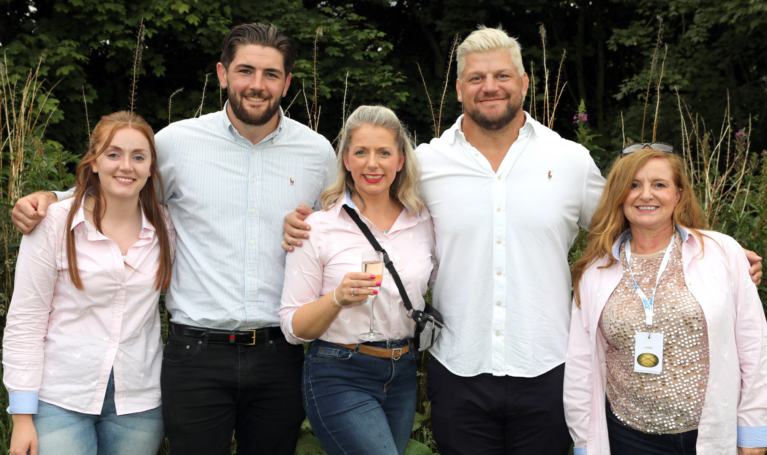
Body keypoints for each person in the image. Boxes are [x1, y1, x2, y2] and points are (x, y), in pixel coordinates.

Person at [281, 26, 763, 454]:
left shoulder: (570, 159)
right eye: (476, 78)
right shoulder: (426, 164)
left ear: (524, 82)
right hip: (458, 366)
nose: (490, 87)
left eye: (502, 76)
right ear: (459, 89)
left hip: (548, 366)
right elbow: (369, 202)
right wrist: (304, 221)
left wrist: (709, 251)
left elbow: (634, 214)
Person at [10, 23, 336, 455]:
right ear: (222, 74)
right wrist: (53, 198)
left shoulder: (317, 153)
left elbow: (341, 232)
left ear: (287, 82)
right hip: (196, 354)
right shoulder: (179, 143)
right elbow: (123, 182)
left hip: (281, 354)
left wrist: (313, 227)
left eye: (271, 74)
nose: (257, 85)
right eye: (245, 71)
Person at [565, 145, 767, 455]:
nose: (646, 195)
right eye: (633, 185)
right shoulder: (595, 272)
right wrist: (584, 444)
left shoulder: (722, 253)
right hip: (628, 438)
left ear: (678, 194)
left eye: (659, 184)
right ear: (619, 195)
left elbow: (754, 344)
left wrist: (753, 432)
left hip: (711, 434)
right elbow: (580, 364)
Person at [3, 111, 174, 455]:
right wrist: (22, 416)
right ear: (94, 162)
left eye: (138, 157)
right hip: (60, 399)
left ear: (151, 168)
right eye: (113, 154)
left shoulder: (164, 228)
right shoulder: (54, 222)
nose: (126, 166)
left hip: (138, 403)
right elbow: (26, 320)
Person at [279, 105, 435, 455]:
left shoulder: (423, 221)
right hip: (339, 372)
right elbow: (293, 327)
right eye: (361, 152)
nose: (372, 163)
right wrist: (337, 298)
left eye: (383, 152)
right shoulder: (317, 228)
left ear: (400, 160)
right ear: (346, 160)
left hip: (402, 371)